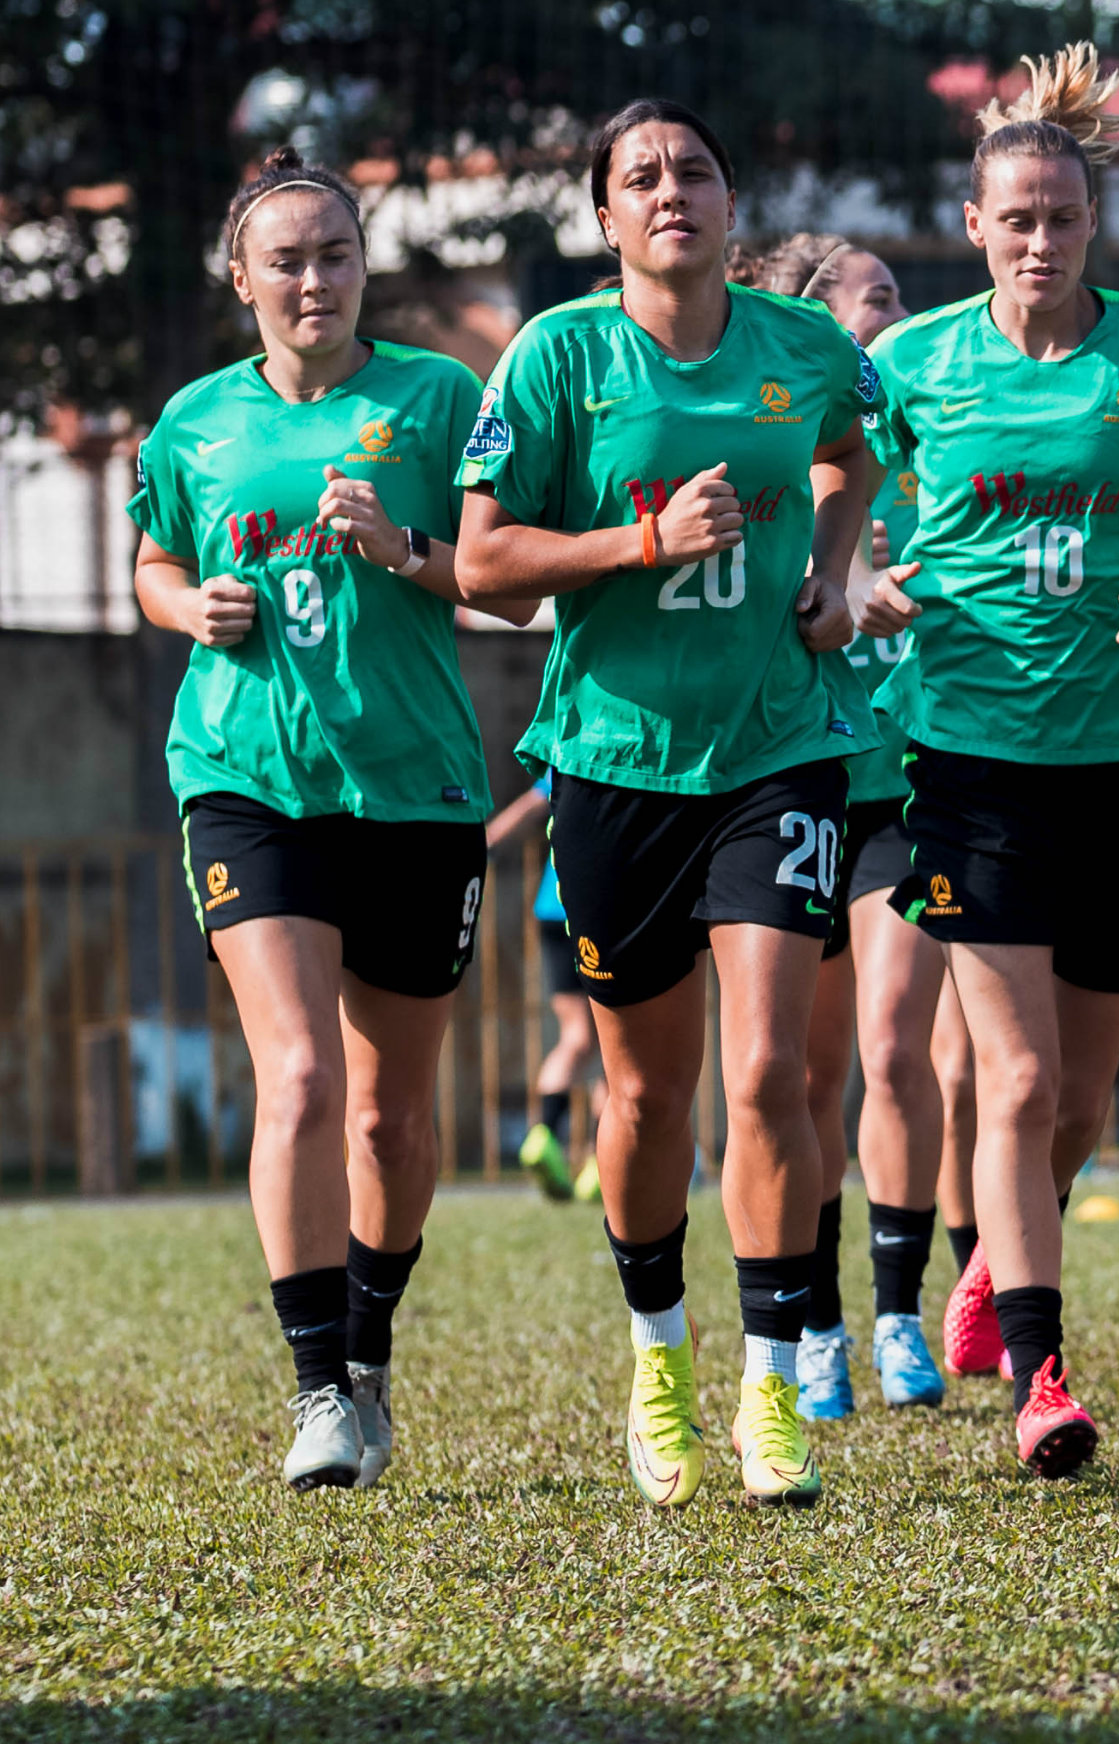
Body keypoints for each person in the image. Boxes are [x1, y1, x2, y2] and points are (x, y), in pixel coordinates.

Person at [457, 99, 878, 1509]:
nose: (670, 191)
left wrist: (827, 566)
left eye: (694, 168)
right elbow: (484, 565)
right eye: (640, 177)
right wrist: (643, 540)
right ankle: (659, 1355)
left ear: (733, 202)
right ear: (605, 217)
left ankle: (772, 1379)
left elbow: (850, 452)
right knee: (646, 1095)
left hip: (775, 752)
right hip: (613, 758)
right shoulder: (560, 355)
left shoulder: (801, 347)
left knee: (765, 1074)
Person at [856, 47, 1119, 1475]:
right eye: (1015, 219)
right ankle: (1042, 1375)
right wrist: (861, 577)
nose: (1040, 241)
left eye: (1064, 219)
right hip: (966, 755)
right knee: (1016, 1083)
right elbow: (832, 507)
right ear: (973, 227)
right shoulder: (905, 365)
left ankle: (989, 1269)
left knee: (1079, 1101)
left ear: (1095, 225)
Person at [131, 149, 536, 1490]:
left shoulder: (437, 399)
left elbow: (508, 584)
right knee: (299, 1076)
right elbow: (152, 557)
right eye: (288, 259)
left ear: (365, 269)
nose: (314, 280)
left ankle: (367, 1355)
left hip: (415, 788)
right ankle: (314, 1388)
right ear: (238, 277)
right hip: (248, 781)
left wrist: (401, 553)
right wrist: (189, 606)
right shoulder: (194, 421)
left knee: (389, 1120)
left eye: (336, 255)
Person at [725, 232, 962, 1416]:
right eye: (876, 298)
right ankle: (812, 1321)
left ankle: (898, 1313)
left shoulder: (913, 452)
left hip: (901, 785)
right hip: (794, 778)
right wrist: (829, 593)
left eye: (902, 295)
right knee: (808, 1071)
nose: (898, 315)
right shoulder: (765, 451)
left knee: (896, 1046)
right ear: (812, 325)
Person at [488, 776, 605, 1204]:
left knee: (576, 1036)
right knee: (616, 1043)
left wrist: (487, 843)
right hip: (602, 906)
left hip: (554, 908)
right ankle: (600, 1159)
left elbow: (530, 807)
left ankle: (542, 1134)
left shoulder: (565, 752)